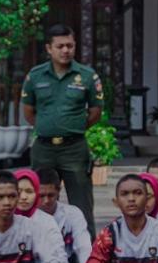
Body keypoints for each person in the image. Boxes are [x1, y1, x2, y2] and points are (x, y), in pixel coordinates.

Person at [22, 24, 104, 237]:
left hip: (74, 149)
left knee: (82, 205)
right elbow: (29, 112)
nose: (65, 50)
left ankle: (87, 259)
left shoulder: (87, 76)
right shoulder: (35, 76)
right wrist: (48, 126)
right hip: (44, 148)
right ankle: (38, 247)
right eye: (60, 46)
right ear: (49, 48)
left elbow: (95, 112)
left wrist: (72, 127)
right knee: (40, 201)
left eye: (70, 45)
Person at [13, 169, 69, 263]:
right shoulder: (2, 219)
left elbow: (59, 255)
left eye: (29, 191)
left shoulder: (46, 221)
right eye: (18, 192)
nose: (23, 197)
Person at [36, 168, 92, 263]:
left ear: (59, 191)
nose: (46, 201)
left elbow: (83, 247)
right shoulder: (25, 217)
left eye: (51, 195)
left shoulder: (72, 214)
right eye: (41, 196)